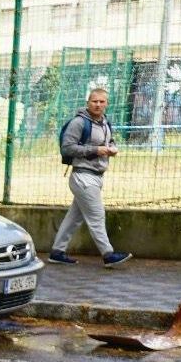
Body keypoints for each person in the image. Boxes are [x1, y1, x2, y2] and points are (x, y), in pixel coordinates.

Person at [50, 88, 132, 268]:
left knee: (75, 217)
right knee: (96, 215)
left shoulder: (105, 123)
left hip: (97, 176)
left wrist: (112, 148)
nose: (98, 105)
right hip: (82, 176)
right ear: (88, 102)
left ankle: (57, 252)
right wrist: (95, 150)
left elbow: (109, 142)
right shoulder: (79, 123)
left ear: (106, 104)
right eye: (94, 101)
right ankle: (108, 255)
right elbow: (67, 148)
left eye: (102, 102)